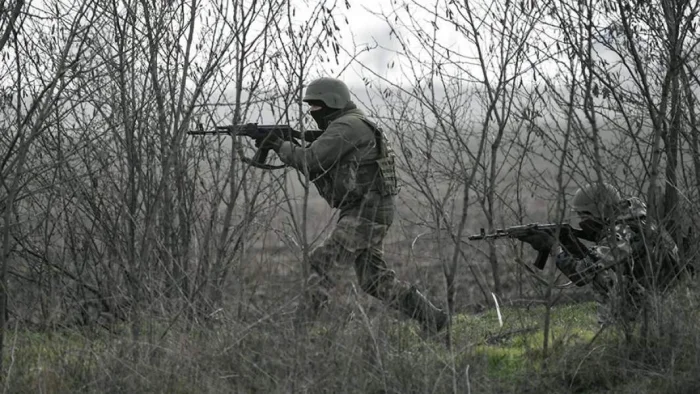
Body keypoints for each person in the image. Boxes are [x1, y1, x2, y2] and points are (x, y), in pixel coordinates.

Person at [260, 77, 448, 335]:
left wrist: (280, 145)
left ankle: (299, 336)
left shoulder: (348, 126)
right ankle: (432, 318)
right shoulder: (349, 123)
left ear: (332, 103)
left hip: (366, 212)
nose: (313, 112)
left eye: (317, 107)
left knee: (322, 263)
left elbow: (311, 159)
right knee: (374, 280)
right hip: (368, 209)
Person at [518, 182, 685, 326]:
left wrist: (554, 247)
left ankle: (615, 323)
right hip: (670, 298)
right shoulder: (637, 221)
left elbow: (581, 274)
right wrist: (568, 241)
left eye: (585, 215)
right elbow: (594, 260)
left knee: (600, 276)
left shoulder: (620, 232)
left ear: (599, 211)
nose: (582, 221)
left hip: (659, 307)